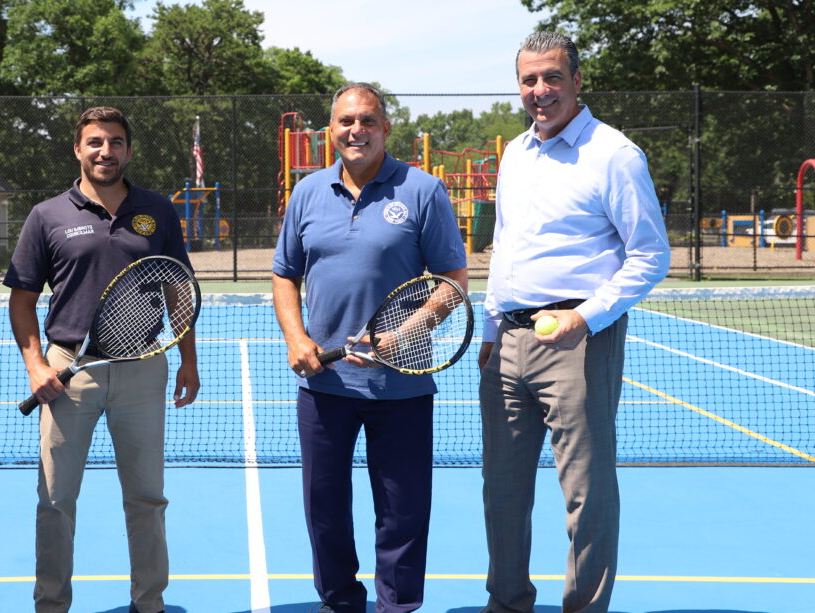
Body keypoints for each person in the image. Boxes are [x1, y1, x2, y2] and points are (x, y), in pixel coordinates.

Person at [478, 31, 670, 613]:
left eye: (552, 77)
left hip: (580, 345)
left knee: (586, 495)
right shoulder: (514, 153)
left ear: (577, 81)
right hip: (507, 342)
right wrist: (490, 330)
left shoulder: (614, 154)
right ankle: (507, 603)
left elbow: (650, 255)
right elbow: (504, 244)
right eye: (530, 80)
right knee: (502, 493)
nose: (541, 91)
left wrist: (584, 318)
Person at [272, 83, 468, 613]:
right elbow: (285, 275)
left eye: (367, 120)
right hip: (324, 385)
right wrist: (297, 338)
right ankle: (340, 603)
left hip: (400, 385)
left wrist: (402, 336)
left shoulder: (423, 191)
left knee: (403, 514)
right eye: (345, 121)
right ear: (330, 130)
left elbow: (453, 281)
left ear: (385, 127)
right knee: (325, 510)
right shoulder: (308, 192)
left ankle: (397, 608)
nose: (355, 130)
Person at [5, 105, 200, 613]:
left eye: (115, 142)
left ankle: (149, 603)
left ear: (128, 150)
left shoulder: (157, 210)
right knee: (54, 501)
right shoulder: (47, 215)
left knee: (146, 498)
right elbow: (22, 300)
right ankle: (51, 605)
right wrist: (36, 366)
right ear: (78, 149)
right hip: (66, 372)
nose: (105, 151)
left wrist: (187, 360)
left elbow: (179, 290)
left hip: (143, 370)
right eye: (95, 142)